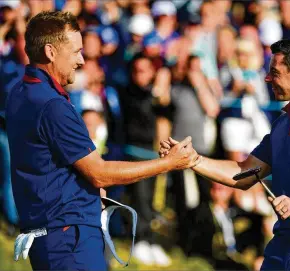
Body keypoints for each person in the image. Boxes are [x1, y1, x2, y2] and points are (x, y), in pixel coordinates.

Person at [5, 11, 200, 271]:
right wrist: (169, 163)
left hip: (51, 237)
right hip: (69, 241)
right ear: (51, 52)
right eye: (75, 52)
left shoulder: (20, 93)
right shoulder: (51, 104)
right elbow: (100, 173)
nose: (81, 60)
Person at [160, 37, 290, 271]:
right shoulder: (282, 123)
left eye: (275, 72)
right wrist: (192, 159)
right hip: (282, 248)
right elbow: (245, 173)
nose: (267, 78)